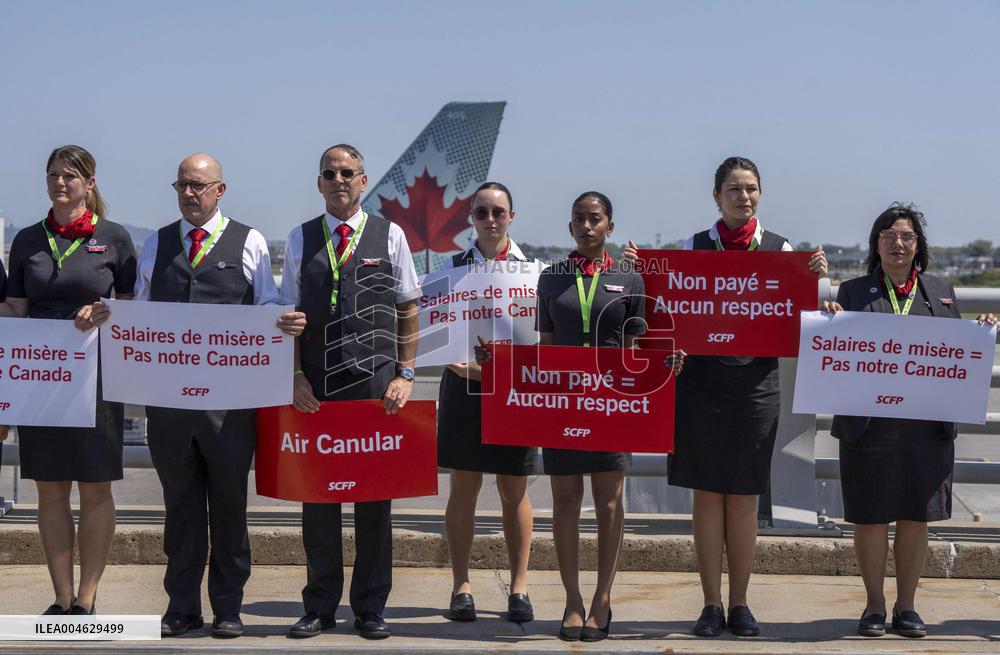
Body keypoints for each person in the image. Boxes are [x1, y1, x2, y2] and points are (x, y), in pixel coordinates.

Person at [627, 156, 827, 638]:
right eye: (734, 189)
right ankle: (710, 604)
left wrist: (815, 279)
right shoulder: (694, 247)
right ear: (716, 196)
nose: (744, 196)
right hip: (700, 384)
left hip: (756, 388)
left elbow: (796, 318)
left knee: (742, 499)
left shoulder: (781, 249)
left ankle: (740, 603)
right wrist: (642, 272)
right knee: (706, 498)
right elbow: (664, 307)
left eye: (752, 188)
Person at [480, 191, 679, 642]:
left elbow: (636, 348)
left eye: (595, 219)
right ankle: (571, 600)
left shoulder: (629, 279)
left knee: (609, 504)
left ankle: (602, 599)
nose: (587, 226)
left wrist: (665, 367)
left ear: (609, 226)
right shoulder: (551, 278)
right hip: (564, 404)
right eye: (578, 219)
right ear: (569, 227)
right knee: (565, 501)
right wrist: (498, 363)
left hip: (610, 405)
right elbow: (545, 350)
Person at [125, 153, 304, 638]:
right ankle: (182, 606)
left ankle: (228, 606)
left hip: (231, 408)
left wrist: (283, 320)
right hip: (170, 407)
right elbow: (137, 314)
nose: (189, 193)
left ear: (220, 190)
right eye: (182, 185)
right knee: (180, 509)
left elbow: (268, 302)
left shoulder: (249, 243)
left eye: (199, 185)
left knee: (229, 508)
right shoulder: (155, 245)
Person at [823, 203, 996, 639]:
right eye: (889, 236)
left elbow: (956, 352)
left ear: (918, 246)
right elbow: (837, 352)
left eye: (906, 237)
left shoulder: (941, 290)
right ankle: (874, 606)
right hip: (870, 426)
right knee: (871, 516)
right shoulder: (853, 293)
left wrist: (984, 330)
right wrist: (830, 322)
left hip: (925, 428)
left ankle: (907, 606)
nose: (897, 244)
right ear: (875, 244)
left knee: (916, 518)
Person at [281, 144, 421, 640]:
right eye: (329, 174)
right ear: (318, 183)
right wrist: (294, 377)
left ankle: (369, 607)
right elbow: (288, 318)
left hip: (375, 384)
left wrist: (406, 372)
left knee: (373, 503)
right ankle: (318, 605)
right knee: (318, 501)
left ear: (363, 181)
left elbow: (408, 307)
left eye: (348, 173)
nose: (339, 181)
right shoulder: (300, 239)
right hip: (318, 386)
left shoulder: (391, 235)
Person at [0, 145, 137, 615]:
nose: (61, 182)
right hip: (40, 378)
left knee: (96, 486)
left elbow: (134, 311)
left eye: (71, 176)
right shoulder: (26, 240)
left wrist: (106, 312)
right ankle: (61, 598)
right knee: (50, 487)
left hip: (96, 381)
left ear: (89, 183)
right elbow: (15, 310)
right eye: (54, 174)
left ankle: (88, 598)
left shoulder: (116, 238)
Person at [438, 182, 536, 624]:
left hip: (514, 390)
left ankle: (519, 588)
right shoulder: (449, 269)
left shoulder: (535, 271)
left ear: (512, 216)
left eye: (498, 211)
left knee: (514, 488)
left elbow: (541, 338)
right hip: (463, 388)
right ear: (470, 218)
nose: (490, 219)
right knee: (464, 487)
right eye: (482, 212)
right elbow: (433, 331)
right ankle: (461, 586)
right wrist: (457, 362)